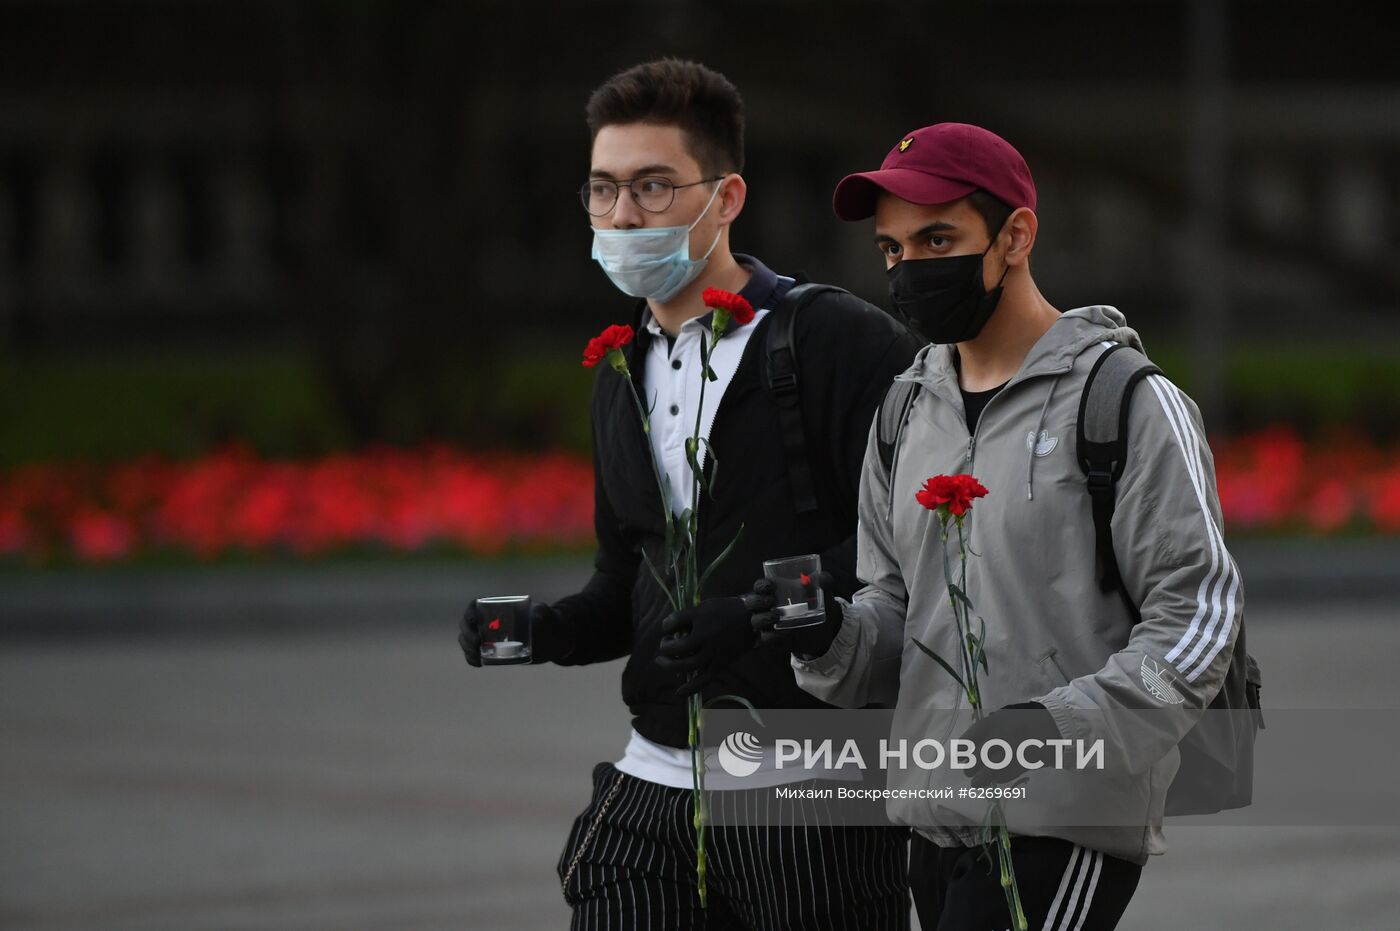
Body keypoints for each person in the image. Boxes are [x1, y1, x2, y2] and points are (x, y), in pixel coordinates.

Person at [458, 59, 922, 930]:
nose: (622, 215)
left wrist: (755, 610)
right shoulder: (618, 369)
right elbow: (627, 575)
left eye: (653, 187)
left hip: (807, 787)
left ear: (728, 197)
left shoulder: (833, 342)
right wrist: (544, 631)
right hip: (652, 781)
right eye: (602, 190)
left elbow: (907, 544)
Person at [768, 122, 1244, 930]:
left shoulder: (1128, 399)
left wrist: (1060, 729)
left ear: (1016, 234)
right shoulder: (905, 410)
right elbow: (896, 611)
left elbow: (1201, 617)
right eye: (892, 249)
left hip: (1064, 813)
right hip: (934, 809)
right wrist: (829, 635)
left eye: (938, 238)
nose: (909, 269)